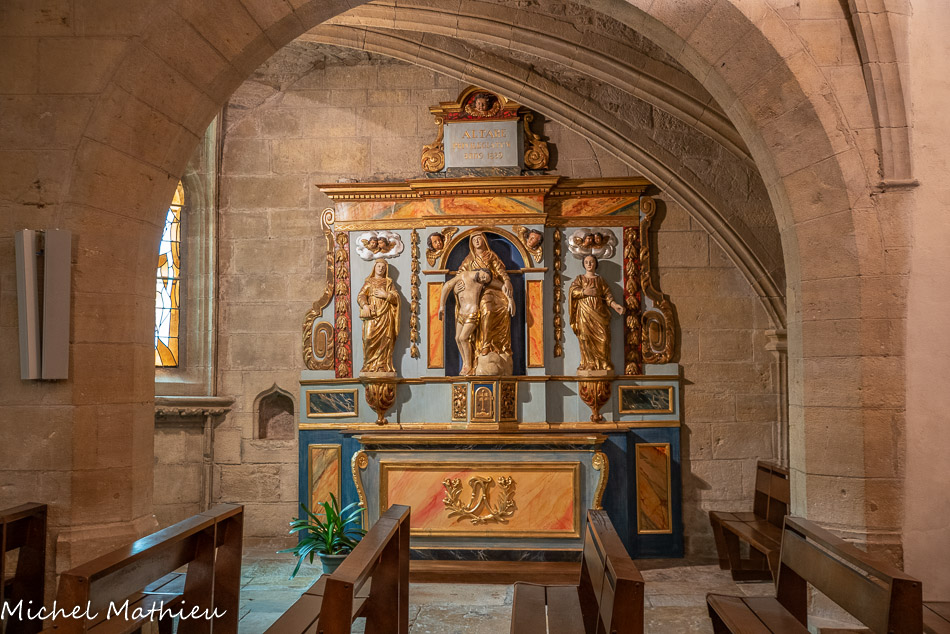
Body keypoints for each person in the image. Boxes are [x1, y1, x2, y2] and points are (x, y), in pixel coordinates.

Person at [457, 232, 515, 375]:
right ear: (471, 243)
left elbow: (501, 272)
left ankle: (493, 345)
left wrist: (507, 281)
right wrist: (457, 287)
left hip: (493, 289)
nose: (477, 242)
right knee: (487, 310)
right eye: (474, 240)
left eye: (479, 239)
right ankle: (484, 345)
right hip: (475, 294)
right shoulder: (469, 260)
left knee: (502, 308)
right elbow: (460, 275)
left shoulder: (491, 256)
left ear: (484, 240)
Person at [569, 254, 624, 374]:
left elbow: (607, 295)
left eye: (591, 262)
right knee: (586, 338)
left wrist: (615, 305)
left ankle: (604, 362)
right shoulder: (579, 279)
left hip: (599, 312)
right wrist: (584, 292)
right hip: (584, 313)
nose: (589, 264)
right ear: (583, 264)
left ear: (595, 264)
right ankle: (589, 363)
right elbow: (573, 292)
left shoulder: (600, 280)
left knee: (604, 339)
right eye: (586, 262)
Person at [438, 269, 492, 375]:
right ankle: (465, 363)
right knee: (457, 338)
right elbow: (447, 285)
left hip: (472, 313)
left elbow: (498, 284)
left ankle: (468, 365)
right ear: (481, 270)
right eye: (484, 277)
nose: (483, 280)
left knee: (463, 338)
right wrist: (441, 306)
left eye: (485, 281)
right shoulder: (463, 275)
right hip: (461, 313)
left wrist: (508, 290)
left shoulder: (480, 284)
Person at [357, 259, 400, 374]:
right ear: (374, 268)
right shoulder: (369, 282)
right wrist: (365, 305)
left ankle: (382, 366)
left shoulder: (389, 283)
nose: (381, 269)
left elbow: (396, 298)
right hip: (372, 315)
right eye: (379, 266)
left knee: (385, 341)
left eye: (383, 267)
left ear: (386, 269)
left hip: (385, 316)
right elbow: (361, 296)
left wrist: (386, 295)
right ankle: (368, 365)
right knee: (368, 338)